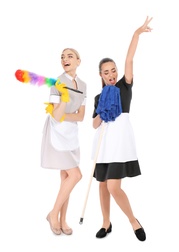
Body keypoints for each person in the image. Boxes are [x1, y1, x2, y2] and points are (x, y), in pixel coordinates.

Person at [92, 16, 153, 241]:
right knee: (102, 186)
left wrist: (136, 34)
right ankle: (106, 223)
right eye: (106, 72)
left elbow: (129, 59)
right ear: (100, 75)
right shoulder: (99, 97)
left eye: (113, 70)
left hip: (120, 143)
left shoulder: (123, 87)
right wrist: (101, 113)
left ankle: (133, 220)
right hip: (104, 143)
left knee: (113, 187)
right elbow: (94, 124)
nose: (111, 74)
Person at [41, 48, 87, 235]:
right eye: (62, 57)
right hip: (57, 133)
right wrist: (64, 100)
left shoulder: (83, 84)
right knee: (76, 175)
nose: (64, 59)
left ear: (78, 61)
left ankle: (63, 219)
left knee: (66, 178)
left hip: (71, 135)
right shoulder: (57, 83)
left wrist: (65, 113)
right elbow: (57, 116)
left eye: (69, 56)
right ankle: (53, 214)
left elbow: (82, 116)